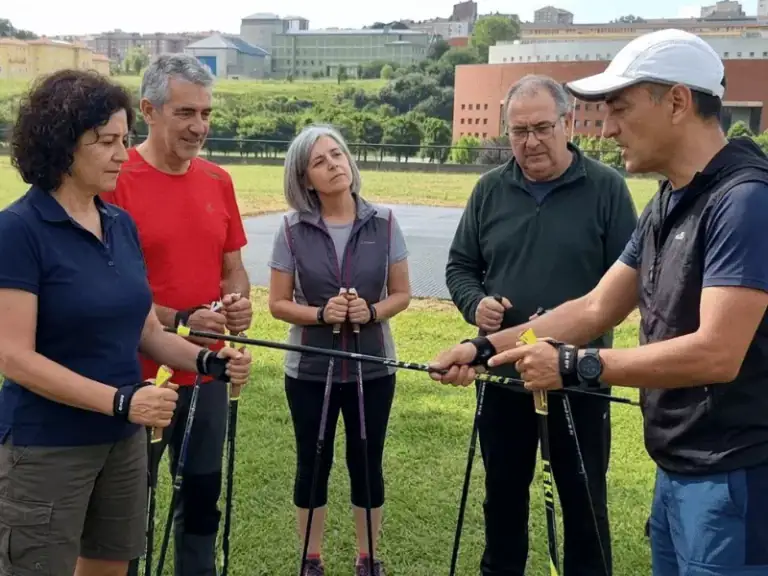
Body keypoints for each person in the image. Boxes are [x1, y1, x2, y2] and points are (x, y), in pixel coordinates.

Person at [430, 28, 768, 576]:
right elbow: (592, 309)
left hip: (734, 474)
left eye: (619, 108)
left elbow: (717, 353)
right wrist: (480, 346)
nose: (607, 128)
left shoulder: (744, 201)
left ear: (677, 102)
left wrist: (574, 364)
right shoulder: (669, 201)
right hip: (678, 466)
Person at [0, 69, 252, 576]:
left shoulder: (118, 224)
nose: (122, 153)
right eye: (106, 141)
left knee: (111, 565)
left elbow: (148, 334)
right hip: (47, 443)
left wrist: (210, 360)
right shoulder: (18, 229)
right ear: (63, 147)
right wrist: (122, 400)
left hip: (122, 439)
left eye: (124, 138)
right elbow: (14, 356)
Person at [444, 74, 637, 576]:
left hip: (578, 375)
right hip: (504, 375)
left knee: (582, 499)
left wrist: (563, 326)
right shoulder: (489, 190)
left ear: (568, 123)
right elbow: (460, 267)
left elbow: (628, 286)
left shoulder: (607, 189)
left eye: (541, 127)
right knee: (503, 497)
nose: (529, 142)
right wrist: (477, 304)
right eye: (518, 130)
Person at [100, 53, 252, 576]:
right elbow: (106, 288)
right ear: (149, 110)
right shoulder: (116, 182)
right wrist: (183, 318)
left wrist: (237, 301)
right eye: (186, 113)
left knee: (202, 498)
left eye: (206, 114)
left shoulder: (217, 181)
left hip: (207, 375)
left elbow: (232, 266)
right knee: (128, 510)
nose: (200, 126)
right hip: (134, 376)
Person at [268, 124, 411, 576]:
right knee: (312, 462)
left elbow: (401, 293)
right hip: (309, 369)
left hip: (373, 368)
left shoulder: (385, 221)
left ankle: (368, 558)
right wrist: (321, 314)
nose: (333, 166)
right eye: (320, 162)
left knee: (367, 462)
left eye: (338, 155)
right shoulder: (290, 230)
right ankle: (311, 559)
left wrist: (369, 312)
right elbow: (277, 304)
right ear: (305, 179)